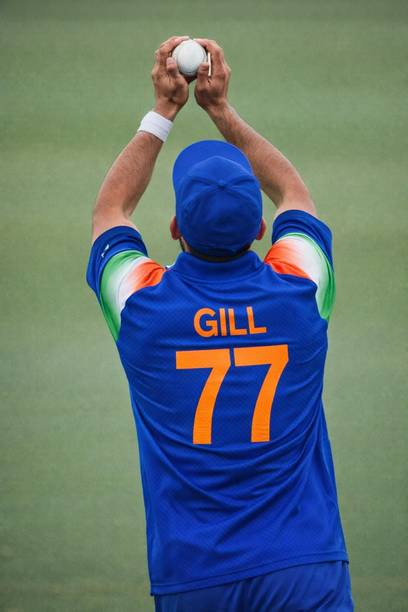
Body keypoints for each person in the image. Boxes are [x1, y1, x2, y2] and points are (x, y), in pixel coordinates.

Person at [86, 35, 354, 611]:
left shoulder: (144, 309)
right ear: (260, 230)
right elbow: (293, 194)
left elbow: (111, 212)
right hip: (304, 567)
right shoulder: (300, 293)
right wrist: (221, 110)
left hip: (194, 577)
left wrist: (164, 110)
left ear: (176, 228)